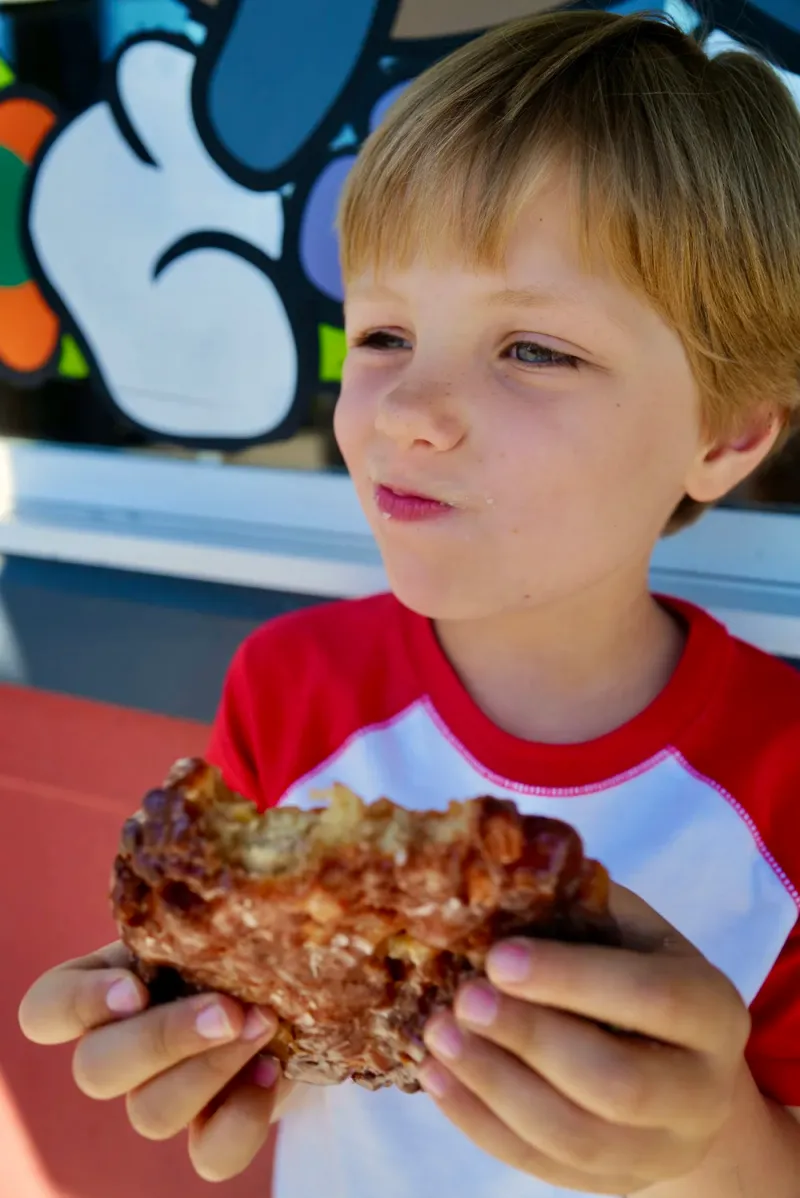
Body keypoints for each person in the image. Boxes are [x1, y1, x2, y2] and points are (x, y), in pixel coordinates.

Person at [17, 10, 800, 1196]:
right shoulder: (289, 687)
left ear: (724, 432)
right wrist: (194, 1032)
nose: (402, 409)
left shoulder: (781, 777)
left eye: (533, 349)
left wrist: (717, 1146)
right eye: (381, 332)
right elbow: (261, 1042)